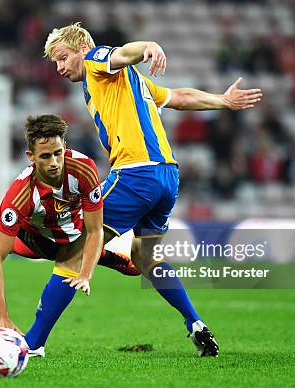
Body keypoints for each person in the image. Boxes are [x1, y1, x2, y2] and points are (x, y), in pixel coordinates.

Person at [44, 22, 264, 357]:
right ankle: (195, 323)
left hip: (136, 173)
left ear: (79, 48)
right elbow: (179, 97)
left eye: (62, 58)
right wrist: (223, 101)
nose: (59, 68)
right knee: (145, 257)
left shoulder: (96, 62)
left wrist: (147, 46)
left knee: (73, 246)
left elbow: (120, 53)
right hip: (167, 177)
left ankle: (32, 344)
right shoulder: (132, 83)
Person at [0, 114, 135, 357]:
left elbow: (96, 229)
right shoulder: (20, 195)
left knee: (76, 258)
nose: (54, 162)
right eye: (45, 156)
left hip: (75, 234)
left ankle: (97, 256)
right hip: (34, 241)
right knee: (2, 243)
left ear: (65, 147)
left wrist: (85, 274)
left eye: (58, 153)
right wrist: (2, 317)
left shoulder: (84, 168)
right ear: (31, 157)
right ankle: (103, 257)